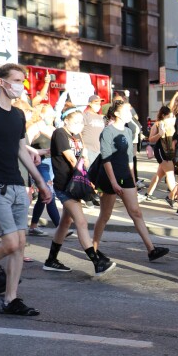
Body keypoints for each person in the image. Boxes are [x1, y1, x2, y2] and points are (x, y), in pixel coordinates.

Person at [0, 63, 52, 316]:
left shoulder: (18, 115)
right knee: (11, 243)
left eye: (22, 81)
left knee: (21, 243)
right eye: (16, 80)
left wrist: (40, 181)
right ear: (2, 82)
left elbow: (20, 150)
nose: (20, 85)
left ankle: (11, 299)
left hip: (17, 186)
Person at [92, 101, 170, 262]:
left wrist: (133, 181)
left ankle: (151, 250)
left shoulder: (127, 131)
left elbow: (129, 158)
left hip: (125, 176)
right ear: (117, 114)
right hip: (109, 178)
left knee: (136, 212)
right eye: (127, 111)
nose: (130, 113)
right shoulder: (108, 132)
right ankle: (93, 249)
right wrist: (113, 183)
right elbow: (106, 159)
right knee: (105, 215)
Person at [44, 108, 116, 276]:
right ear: (66, 120)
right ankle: (96, 261)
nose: (79, 125)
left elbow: (83, 156)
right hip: (65, 186)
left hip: (73, 185)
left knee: (65, 223)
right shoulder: (60, 133)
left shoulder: (75, 136)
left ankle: (51, 260)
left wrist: (85, 161)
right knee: (81, 222)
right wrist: (85, 175)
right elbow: (70, 158)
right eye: (76, 122)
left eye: (81, 123)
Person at [26, 104, 62, 237]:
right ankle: (60, 227)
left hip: (51, 163)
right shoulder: (34, 128)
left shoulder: (53, 128)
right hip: (40, 163)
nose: (51, 117)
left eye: (52, 114)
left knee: (43, 195)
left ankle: (33, 226)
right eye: (49, 114)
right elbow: (25, 146)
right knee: (48, 192)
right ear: (41, 114)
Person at [144, 106, 178, 204]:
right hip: (162, 151)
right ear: (163, 116)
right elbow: (150, 139)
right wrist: (160, 134)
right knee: (170, 175)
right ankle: (173, 196)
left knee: (159, 174)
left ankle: (148, 194)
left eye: (172, 116)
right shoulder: (158, 124)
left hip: (169, 152)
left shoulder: (172, 124)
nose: (171, 118)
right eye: (169, 116)